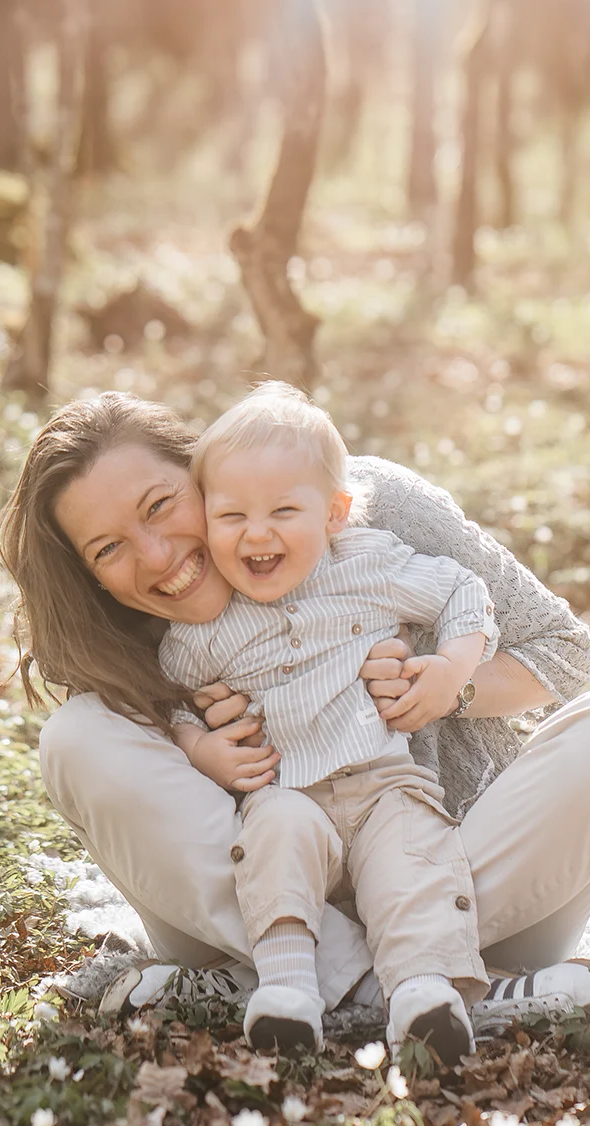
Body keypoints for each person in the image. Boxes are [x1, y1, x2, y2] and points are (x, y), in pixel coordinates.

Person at [0, 390, 590, 1043]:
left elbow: (561, 648)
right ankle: (438, 993)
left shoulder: (368, 505)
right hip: (264, 902)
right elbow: (152, 781)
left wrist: (443, 685)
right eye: (108, 549)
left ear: (200, 468)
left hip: (463, 871)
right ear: (89, 575)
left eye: (161, 504)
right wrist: (193, 740)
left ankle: (338, 982)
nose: (156, 555)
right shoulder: (126, 638)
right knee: (74, 736)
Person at [160, 384, 497, 1063]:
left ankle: (421, 994)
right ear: (205, 519)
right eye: (232, 516)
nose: (257, 533)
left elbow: (463, 588)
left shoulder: (368, 563)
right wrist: (199, 746)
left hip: (382, 780)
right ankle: (287, 992)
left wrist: (452, 668)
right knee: (275, 837)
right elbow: (162, 693)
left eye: (285, 510)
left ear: (335, 513)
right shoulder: (207, 625)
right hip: (286, 790)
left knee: (414, 856)